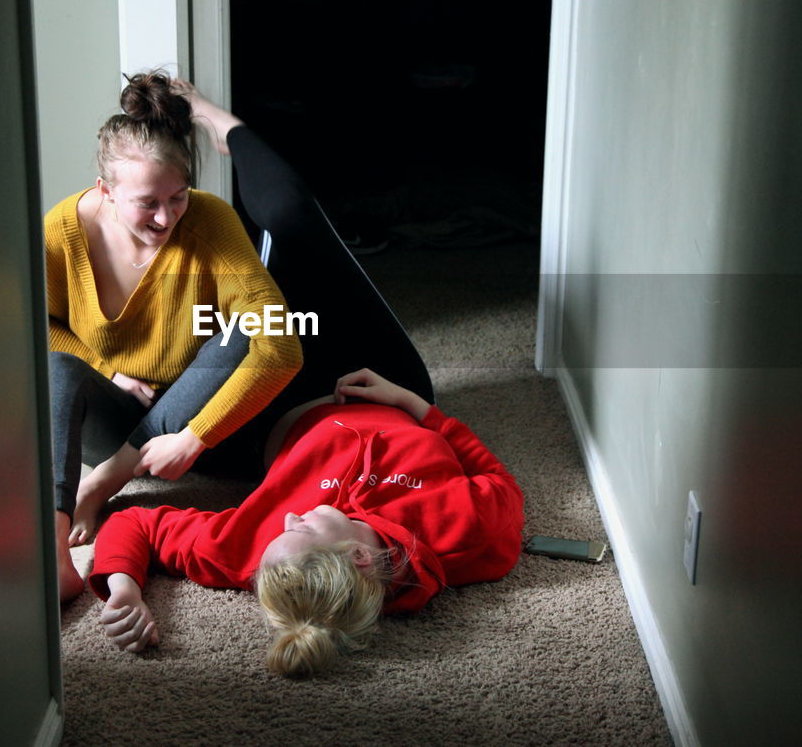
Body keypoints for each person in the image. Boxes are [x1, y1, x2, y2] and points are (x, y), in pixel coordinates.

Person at [85, 90, 525, 677]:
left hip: (265, 412)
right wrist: (417, 406)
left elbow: (140, 523)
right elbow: (498, 482)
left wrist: (123, 588)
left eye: (284, 530)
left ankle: (207, 153)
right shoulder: (464, 537)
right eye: (305, 526)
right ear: (360, 559)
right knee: (292, 222)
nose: (289, 520)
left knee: (241, 307)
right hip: (377, 374)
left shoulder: (261, 550)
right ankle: (225, 127)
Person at [45, 71, 302, 601]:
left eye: (178, 197)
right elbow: (33, 329)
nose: (166, 217)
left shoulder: (210, 222)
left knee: (241, 332)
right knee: (53, 367)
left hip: (198, 422)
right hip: (114, 420)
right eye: (147, 203)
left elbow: (283, 344)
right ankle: (51, 549)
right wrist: (106, 369)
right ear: (106, 192)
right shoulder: (60, 233)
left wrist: (196, 435)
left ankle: (103, 483)